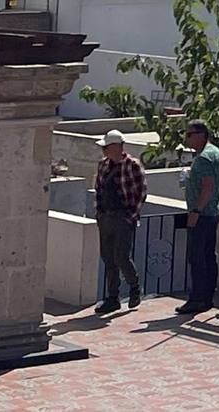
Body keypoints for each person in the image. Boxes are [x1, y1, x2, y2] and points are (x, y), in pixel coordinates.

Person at [94, 129, 147, 312]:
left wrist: (130, 216)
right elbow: (99, 189)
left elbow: (141, 193)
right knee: (108, 258)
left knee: (121, 256)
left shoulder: (132, 165)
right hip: (106, 216)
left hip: (123, 216)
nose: (104, 151)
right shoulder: (103, 165)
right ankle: (112, 297)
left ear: (117, 147)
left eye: (107, 147)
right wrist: (99, 213)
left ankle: (134, 287)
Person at [179, 119, 219, 316]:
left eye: (189, 134)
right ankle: (207, 296)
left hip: (203, 214)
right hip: (213, 211)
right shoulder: (215, 153)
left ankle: (198, 298)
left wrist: (195, 211)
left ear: (200, 134)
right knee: (208, 255)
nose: (186, 139)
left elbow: (208, 186)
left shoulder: (205, 157)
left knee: (197, 257)